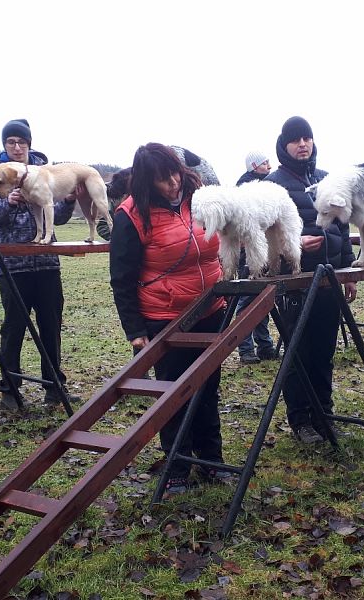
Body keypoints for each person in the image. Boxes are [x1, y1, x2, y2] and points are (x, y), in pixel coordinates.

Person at [109, 143, 227, 495]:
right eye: (163, 179)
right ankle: (177, 468)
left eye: (175, 174)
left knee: (208, 389)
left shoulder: (202, 197)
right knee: (174, 395)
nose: (173, 183)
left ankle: (212, 461)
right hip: (166, 317)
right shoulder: (131, 215)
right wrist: (135, 331)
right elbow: (122, 277)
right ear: (147, 182)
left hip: (211, 309)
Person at [0, 118, 81, 411]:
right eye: (11, 141)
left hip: (47, 264)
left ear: (29, 144)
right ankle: (10, 390)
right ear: (4, 146)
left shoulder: (45, 173)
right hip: (12, 266)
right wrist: (7, 202)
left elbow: (57, 217)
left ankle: (54, 387)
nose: (17, 146)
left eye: (22, 141)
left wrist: (70, 200)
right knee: (13, 329)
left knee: (51, 326)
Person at [264, 116, 357, 444]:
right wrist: (294, 245)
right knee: (298, 353)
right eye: (295, 139)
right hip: (295, 282)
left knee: (324, 351)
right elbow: (261, 236)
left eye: (307, 138)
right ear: (284, 145)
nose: (303, 144)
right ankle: (300, 420)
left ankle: (324, 413)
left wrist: (348, 273)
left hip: (330, 279)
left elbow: (343, 227)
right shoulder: (272, 186)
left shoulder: (327, 179)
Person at [234, 150, 276, 365]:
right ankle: (246, 348)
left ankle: (265, 345)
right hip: (249, 253)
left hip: (263, 249)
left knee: (262, 299)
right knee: (248, 299)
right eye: (264, 162)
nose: (269, 165)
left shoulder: (266, 186)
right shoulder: (246, 189)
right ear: (253, 165)